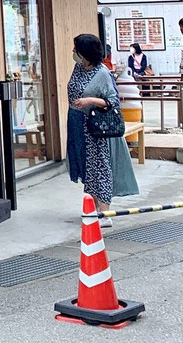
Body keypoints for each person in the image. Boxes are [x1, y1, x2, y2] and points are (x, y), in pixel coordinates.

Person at [66, 33, 139, 226]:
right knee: (86, 166)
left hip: (95, 127)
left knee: (100, 167)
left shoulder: (102, 73)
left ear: (85, 52)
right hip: (76, 122)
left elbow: (112, 101)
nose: (73, 52)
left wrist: (89, 100)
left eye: (76, 48)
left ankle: (105, 212)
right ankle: (94, 208)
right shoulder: (78, 68)